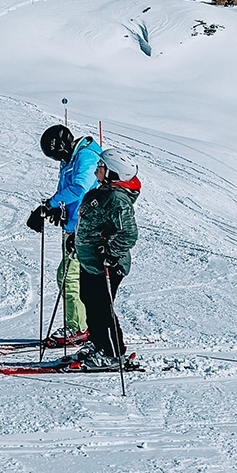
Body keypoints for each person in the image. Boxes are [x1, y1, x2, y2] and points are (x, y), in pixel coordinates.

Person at [28, 124, 104, 347]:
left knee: (69, 276)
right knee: (70, 276)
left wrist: (50, 204)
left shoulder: (86, 157)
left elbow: (81, 188)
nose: (57, 160)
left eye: (56, 155)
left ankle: (78, 328)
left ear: (62, 146)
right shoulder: (70, 159)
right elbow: (71, 191)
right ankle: (83, 325)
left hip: (85, 228)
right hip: (74, 227)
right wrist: (60, 210)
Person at [72, 149, 141, 369]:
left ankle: (112, 353)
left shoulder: (116, 198)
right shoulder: (104, 192)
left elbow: (128, 233)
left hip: (107, 265)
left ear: (112, 172)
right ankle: (98, 344)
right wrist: (75, 241)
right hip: (91, 262)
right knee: (89, 301)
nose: (96, 169)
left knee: (102, 307)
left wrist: (111, 254)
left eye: (101, 166)